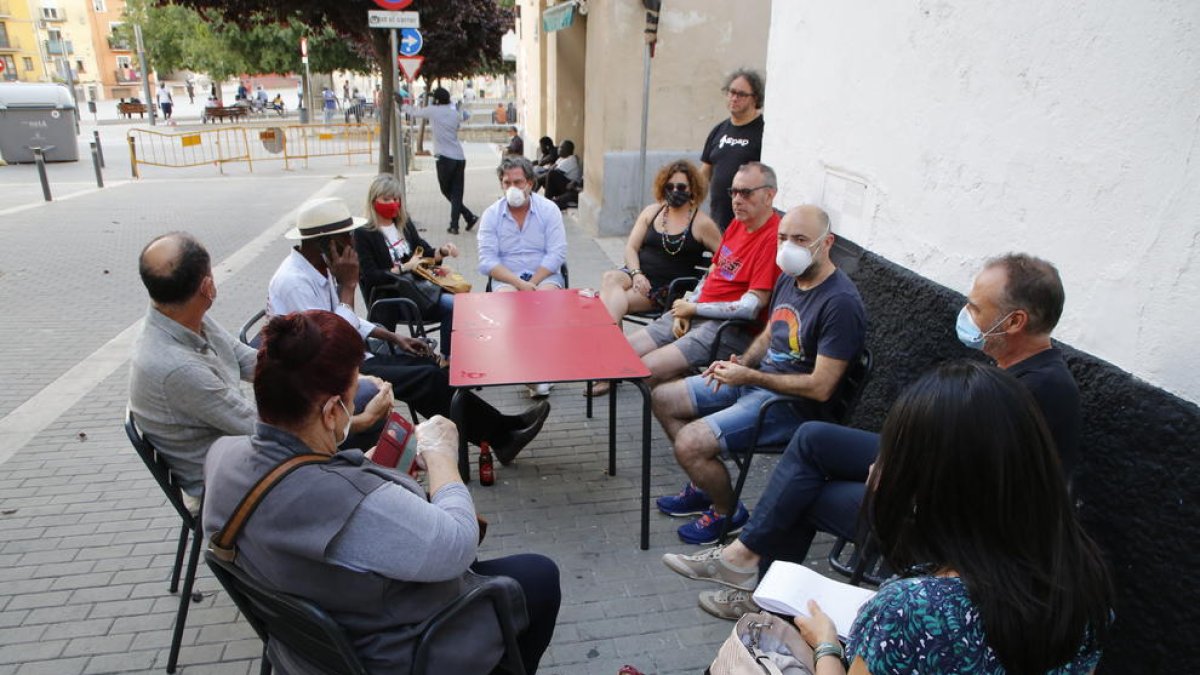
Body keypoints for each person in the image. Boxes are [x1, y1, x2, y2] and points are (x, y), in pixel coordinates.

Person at [663, 253, 1085, 620]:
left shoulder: (1038, 391)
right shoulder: (1016, 366)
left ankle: (764, 598)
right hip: (930, 472)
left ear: (1014, 321)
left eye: (976, 308)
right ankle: (745, 557)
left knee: (806, 495)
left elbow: (982, 487)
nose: (967, 315)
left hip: (953, 525)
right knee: (812, 439)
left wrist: (903, 476)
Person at [202, 310, 561, 673]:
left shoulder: (221, 457)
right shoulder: (351, 503)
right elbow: (458, 544)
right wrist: (441, 457)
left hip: (306, 647)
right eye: (354, 390)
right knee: (540, 576)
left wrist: (369, 464)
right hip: (388, 653)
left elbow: (298, 487)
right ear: (331, 412)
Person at [790, 361, 1111, 674]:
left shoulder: (910, 611)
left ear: (930, 487)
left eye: (890, 456)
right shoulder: (1084, 580)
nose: (874, 469)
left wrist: (826, 644)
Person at [268, 197, 550, 464]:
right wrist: (349, 286)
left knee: (431, 367)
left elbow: (348, 322)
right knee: (426, 378)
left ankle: (503, 429)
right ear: (325, 244)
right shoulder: (295, 282)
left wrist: (395, 337)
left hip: (352, 359)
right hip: (328, 374)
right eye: (346, 239)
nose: (352, 245)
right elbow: (329, 342)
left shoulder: (321, 267)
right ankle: (501, 436)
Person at [129, 233, 393, 513]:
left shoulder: (185, 316)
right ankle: (353, 496)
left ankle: (358, 483)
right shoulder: (176, 367)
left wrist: (345, 377)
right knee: (360, 417)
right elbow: (266, 434)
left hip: (243, 444)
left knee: (362, 393)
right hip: (233, 480)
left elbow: (257, 364)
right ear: (207, 287)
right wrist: (358, 421)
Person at [652, 205, 866, 545]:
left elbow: (822, 388)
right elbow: (770, 332)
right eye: (783, 238)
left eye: (800, 239)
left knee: (690, 443)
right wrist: (742, 363)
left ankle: (727, 513)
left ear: (827, 243)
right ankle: (704, 484)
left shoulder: (840, 303)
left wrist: (749, 378)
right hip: (758, 383)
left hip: (788, 405)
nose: (788, 247)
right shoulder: (789, 278)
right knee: (663, 397)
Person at [624, 161, 783, 388]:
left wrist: (695, 309)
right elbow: (713, 271)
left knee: (646, 368)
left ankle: (679, 392)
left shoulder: (771, 238)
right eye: (734, 192)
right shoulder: (738, 224)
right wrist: (690, 303)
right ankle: (678, 384)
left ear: (769, 195)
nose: (737, 199)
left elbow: (751, 307)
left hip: (727, 327)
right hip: (697, 312)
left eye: (746, 193)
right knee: (625, 351)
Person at [477, 156, 568, 398]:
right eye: (507, 183)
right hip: (507, 279)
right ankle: (533, 373)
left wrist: (533, 283)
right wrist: (518, 284)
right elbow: (487, 261)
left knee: (544, 308)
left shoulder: (549, 210)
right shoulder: (491, 215)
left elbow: (557, 253)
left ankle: (538, 370)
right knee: (511, 313)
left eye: (518, 182)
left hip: (544, 277)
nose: (513, 188)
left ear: (530, 182)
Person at [596, 159, 722, 331]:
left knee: (608, 302)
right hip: (637, 274)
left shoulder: (701, 223)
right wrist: (637, 274)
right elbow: (631, 248)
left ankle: (609, 346)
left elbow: (725, 256)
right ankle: (614, 347)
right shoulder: (652, 212)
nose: (675, 191)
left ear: (692, 188)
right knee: (610, 278)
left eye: (681, 187)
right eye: (669, 187)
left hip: (665, 287)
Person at [354, 173, 459, 358]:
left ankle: (449, 357)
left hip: (420, 290)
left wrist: (443, 251)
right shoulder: (363, 234)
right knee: (454, 305)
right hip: (394, 298)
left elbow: (424, 252)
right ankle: (447, 358)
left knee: (462, 301)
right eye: (386, 199)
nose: (393, 203)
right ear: (373, 201)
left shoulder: (403, 224)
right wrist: (404, 268)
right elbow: (371, 276)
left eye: (396, 199)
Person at [406, 88, 479, 234]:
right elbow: (461, 120)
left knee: (446, 191)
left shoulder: (434, 110)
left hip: (444, 158)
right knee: (457, 192)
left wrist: (401, 104)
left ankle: (463, 219)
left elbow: (414, 112)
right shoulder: (454, 113)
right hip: (459, 157)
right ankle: (460, 221)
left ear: (437, 100)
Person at [701, 69, 765, 231]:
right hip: (718, 220)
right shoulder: (719, 130)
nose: (734, 98)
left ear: (755, 98)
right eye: (731, 92)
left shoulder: (763, 132)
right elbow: (705, 173)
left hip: (748, 223)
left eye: (741, 94)